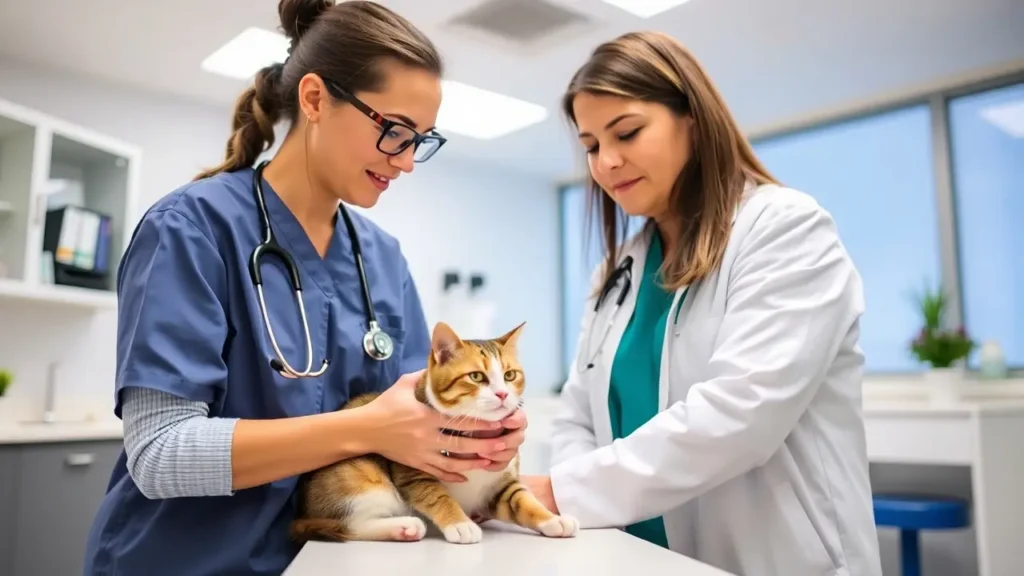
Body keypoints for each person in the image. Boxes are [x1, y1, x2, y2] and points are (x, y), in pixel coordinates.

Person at [82, 1, 526, 574]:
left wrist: (477, 440)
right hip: (184, 560)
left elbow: (415, 426)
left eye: (422, 140)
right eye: (394, 131)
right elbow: (160, 454)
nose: (409, 162)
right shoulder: (192, 229)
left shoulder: (382, 258)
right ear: (315, 99)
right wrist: (365, 428)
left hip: (335, 560)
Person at [520, 31, 883, 576]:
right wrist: (577, 507)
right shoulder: (615, 274)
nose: (607, 162)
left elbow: (741, 413)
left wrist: (562, 490)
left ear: (692, 118)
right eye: (592, 145)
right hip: (632, 556)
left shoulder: (783, 228)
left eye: (628, 132)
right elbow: (577, 416)